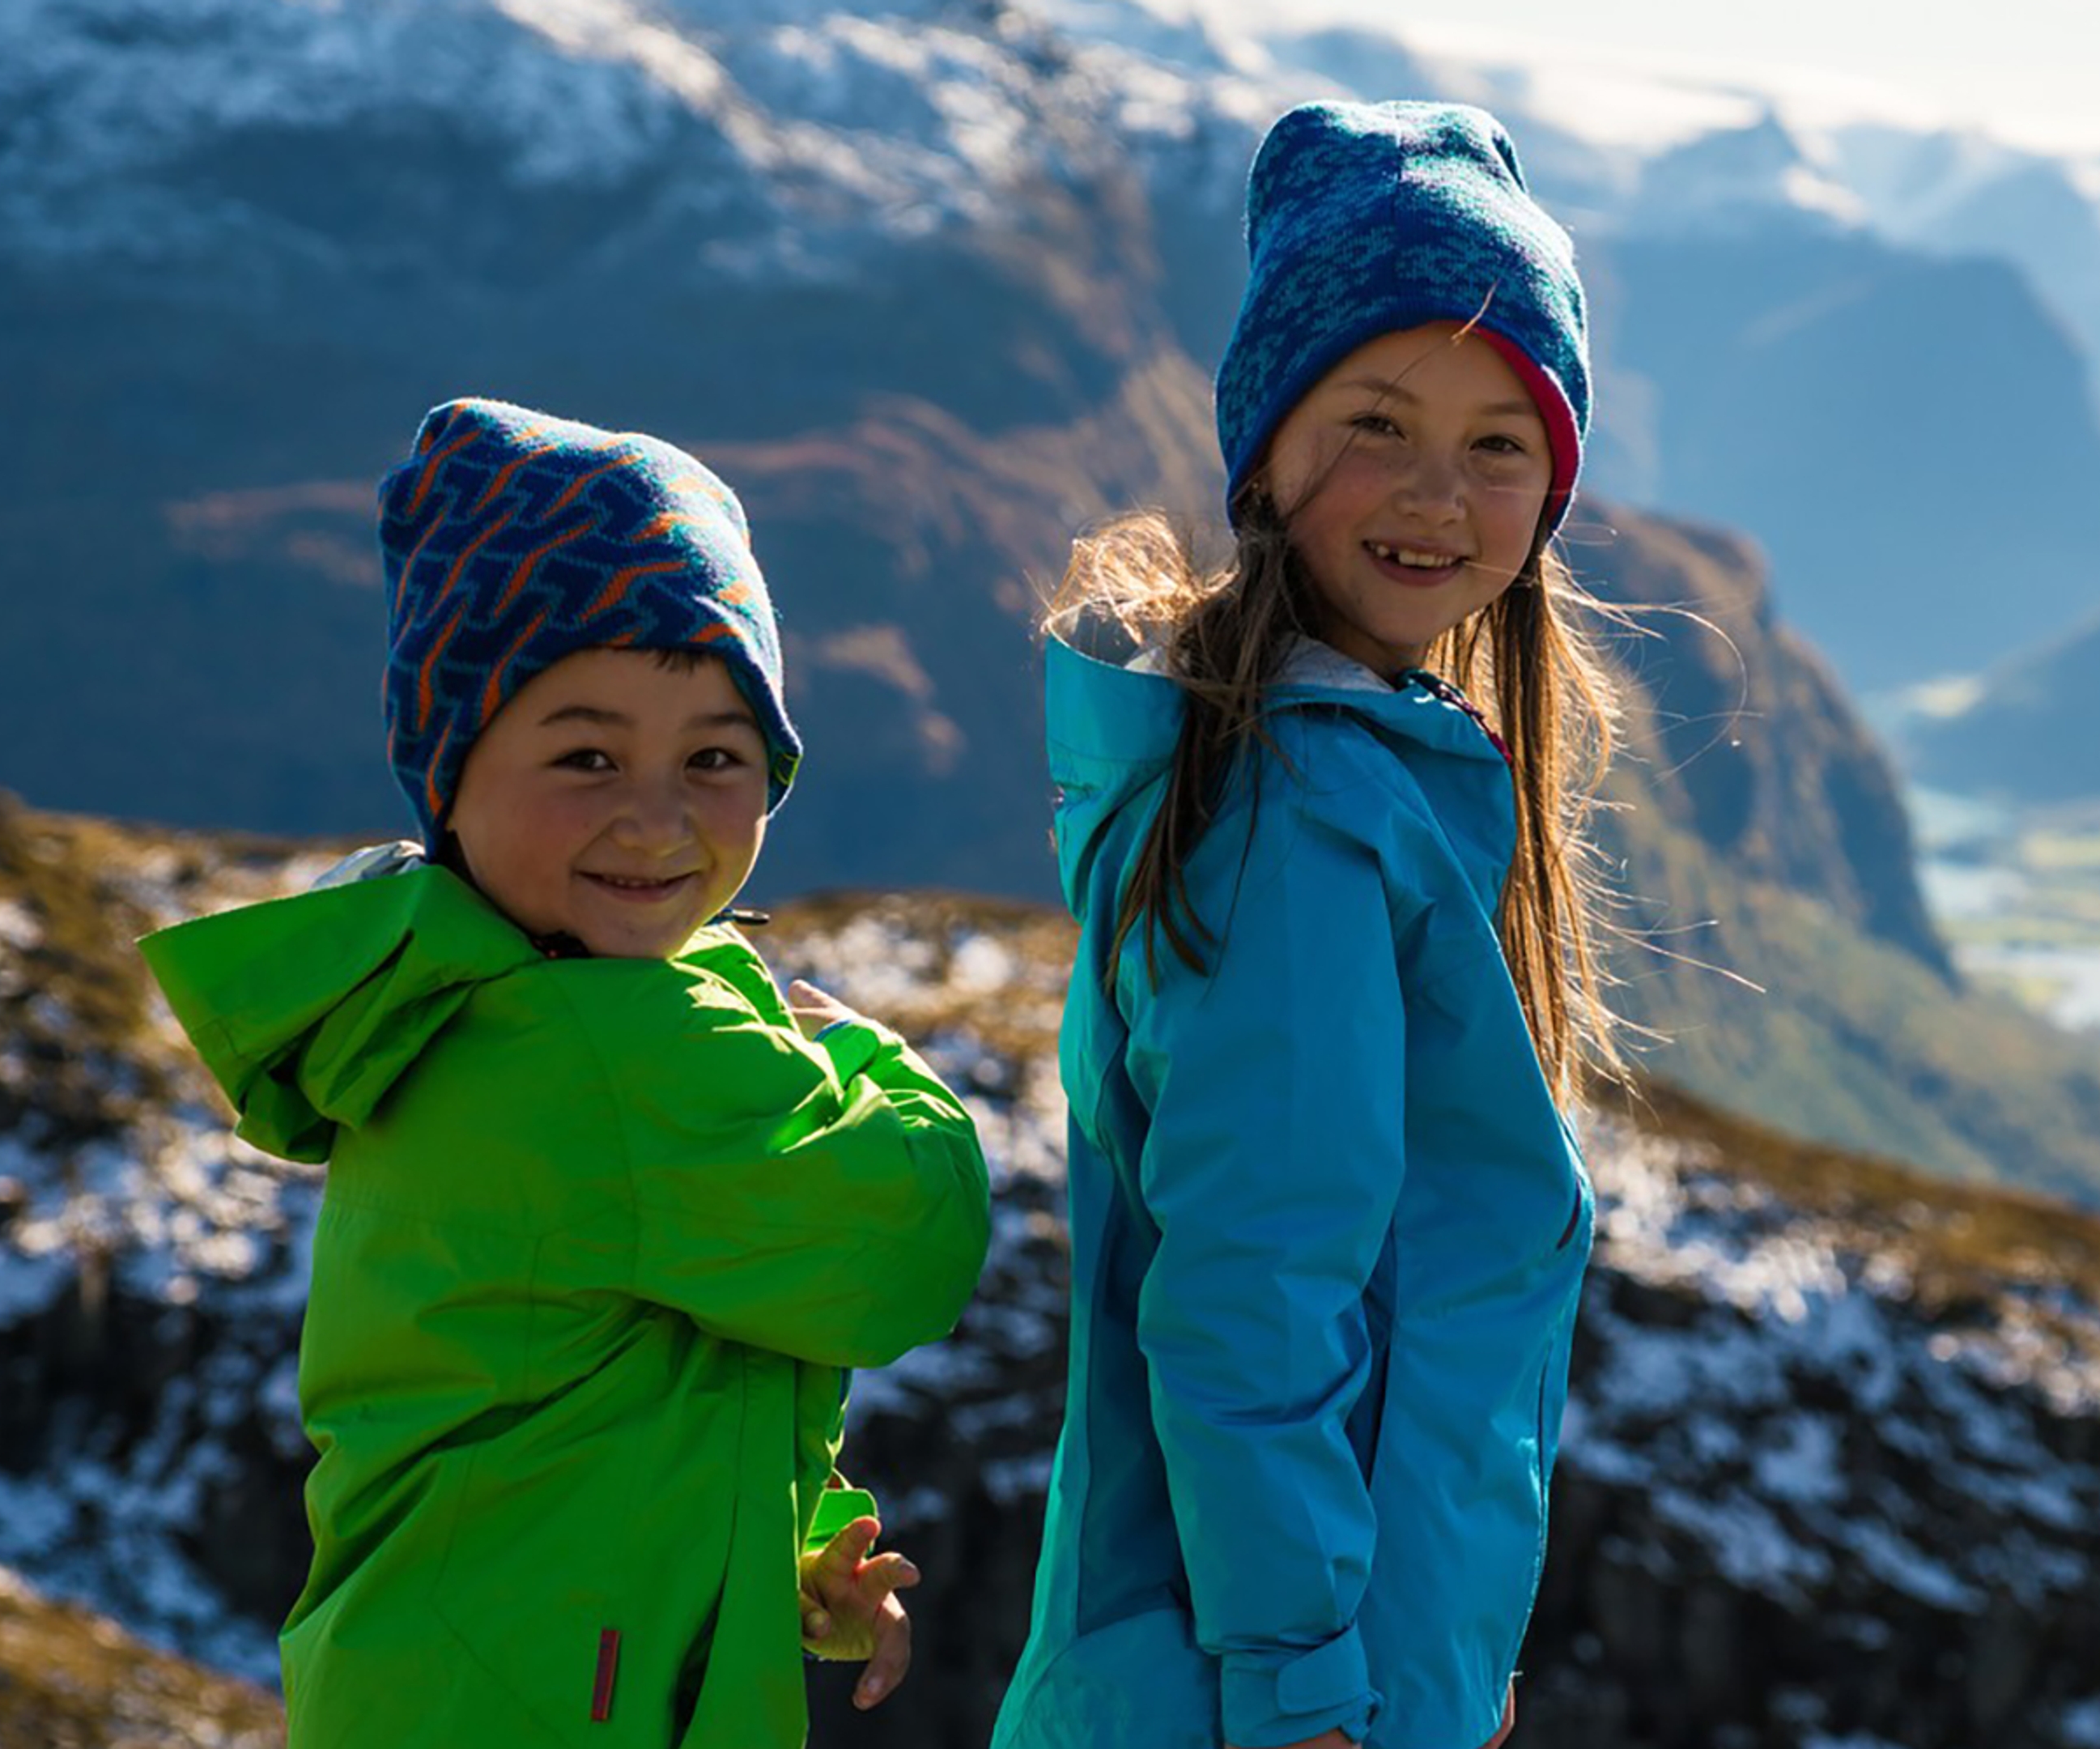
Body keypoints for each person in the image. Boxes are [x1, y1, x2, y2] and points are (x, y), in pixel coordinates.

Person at [139, 398, 992, 1747]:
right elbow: (908, 1243)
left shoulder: (461, 988)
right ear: (451, 768)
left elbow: (604, 1375)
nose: (653, 818)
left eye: (714, 758)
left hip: (461, 1677)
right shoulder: (594, 1044)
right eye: (585, 755)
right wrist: (855, 1047)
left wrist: (781, 1559)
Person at [993, 100, 1624, 1749]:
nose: (1438, 492)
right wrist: (1306, 1689)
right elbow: (1253, 1294)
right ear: (1265, 447)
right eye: (1375, 421)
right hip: (1264, 1696)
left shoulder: (1337, 771)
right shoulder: (1302, 823)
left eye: (1502, 441)